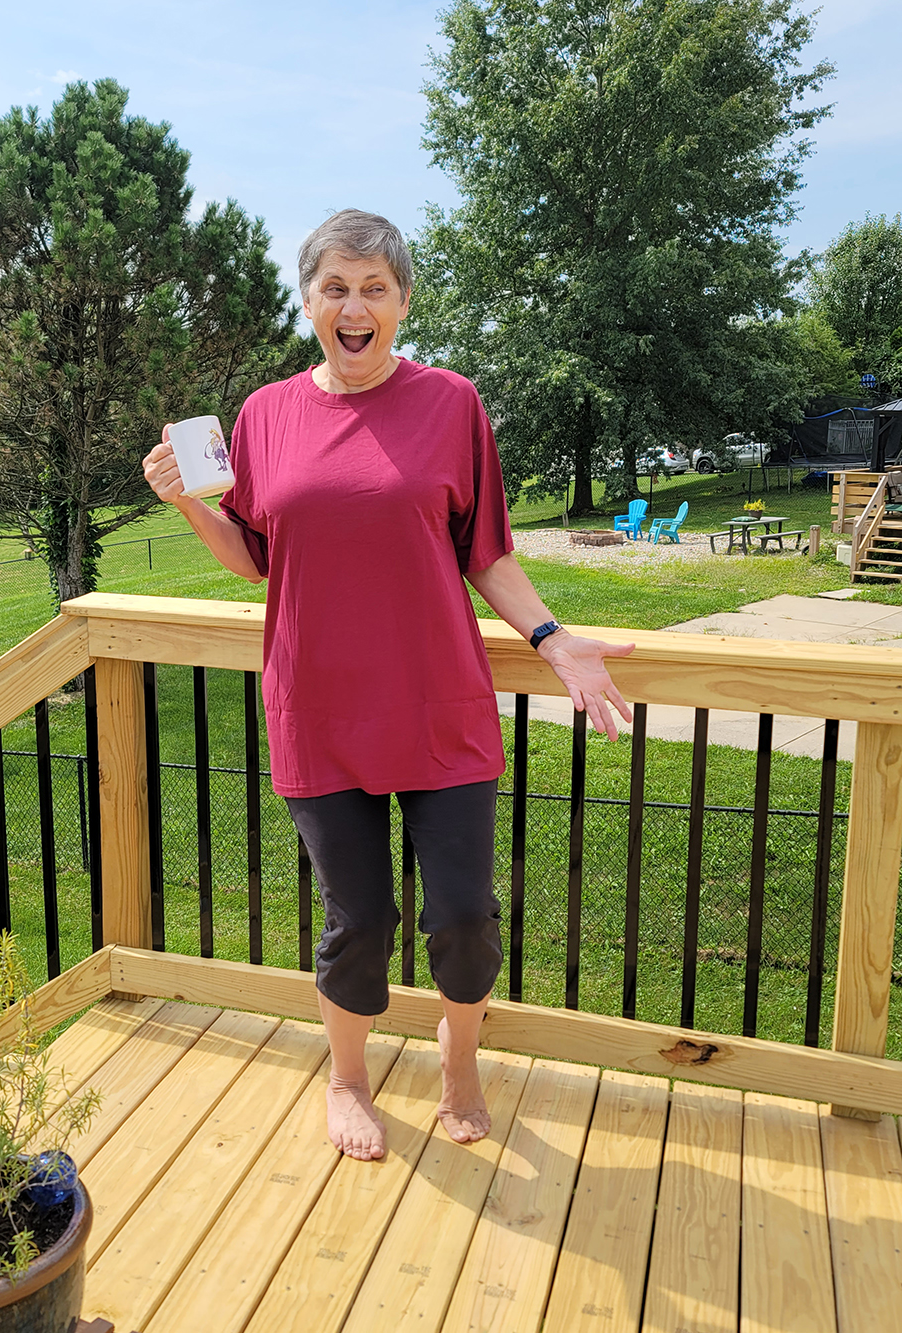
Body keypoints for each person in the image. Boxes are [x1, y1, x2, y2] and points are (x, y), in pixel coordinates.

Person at [142, 209, 633, 1163]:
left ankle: (458, 1067)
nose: (355, 307)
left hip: (438, 702)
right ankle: (348, 1077)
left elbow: (484, 549)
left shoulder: (452, 402)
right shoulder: (264, 415)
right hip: (317, 707)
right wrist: (188, 502)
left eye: (374, 288)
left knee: (463, 916)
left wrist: (553, 636)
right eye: (336, 288)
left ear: (403, 301)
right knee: (359, 920)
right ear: (310, 302)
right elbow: (255, 557)